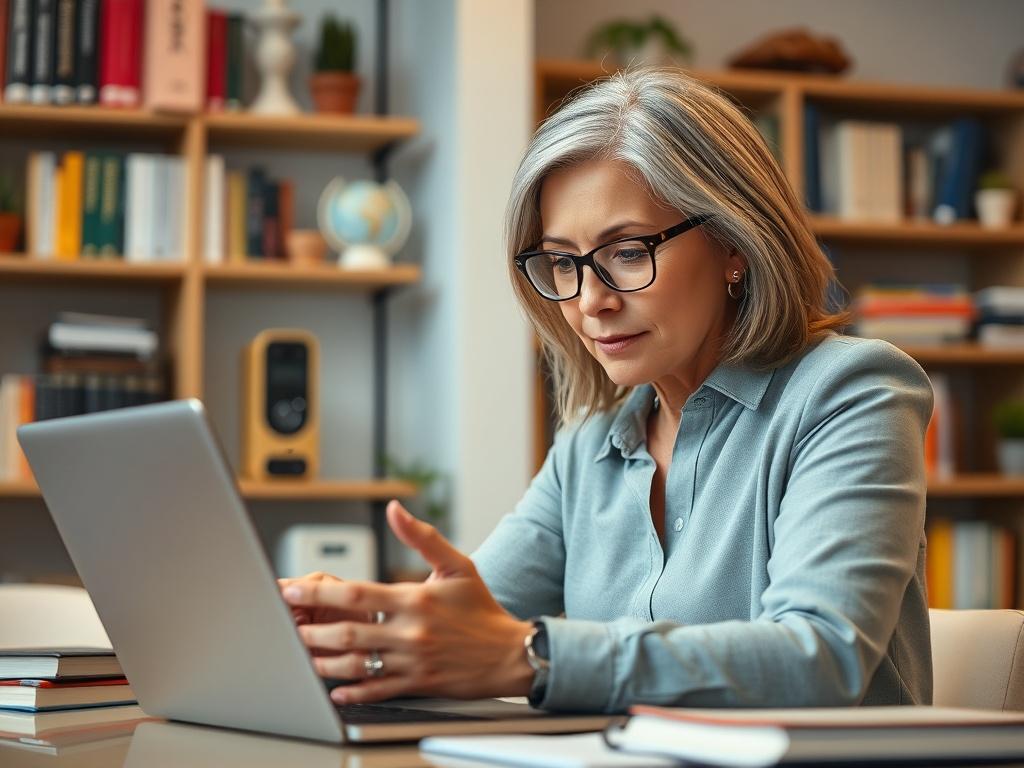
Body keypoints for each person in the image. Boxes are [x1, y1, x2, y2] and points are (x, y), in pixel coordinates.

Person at [279, 67, 933, 713]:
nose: (591, 300)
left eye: (626, 251)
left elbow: (820, 656)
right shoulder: (590, 447)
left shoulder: (853, 393)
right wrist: (352, 630)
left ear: (734, 242)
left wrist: (530, 658)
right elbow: (463, 636)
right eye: (563, 262)